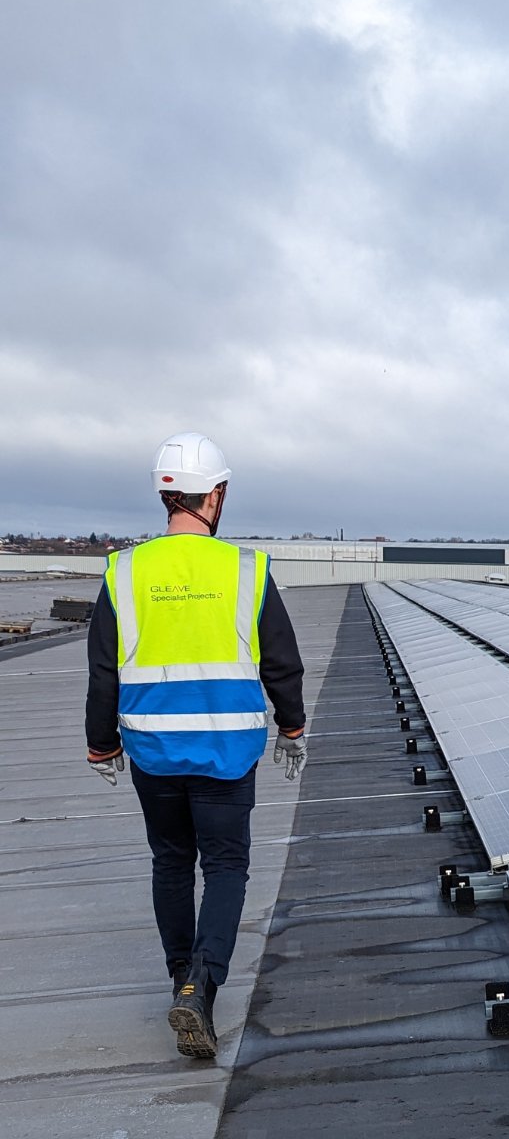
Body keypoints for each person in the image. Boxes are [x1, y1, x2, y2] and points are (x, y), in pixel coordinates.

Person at [85, 432, 307, 1059]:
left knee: (171, 862)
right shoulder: (247, 568)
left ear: (165, 495)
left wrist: (101, 744)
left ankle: (179, 976)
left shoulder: (124, 571)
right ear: (216, 495)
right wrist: (292, 727)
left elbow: (104, 668)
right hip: (227, 751)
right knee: (227, 865)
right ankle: (200, 987)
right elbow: (281, 662)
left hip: (152, 750)